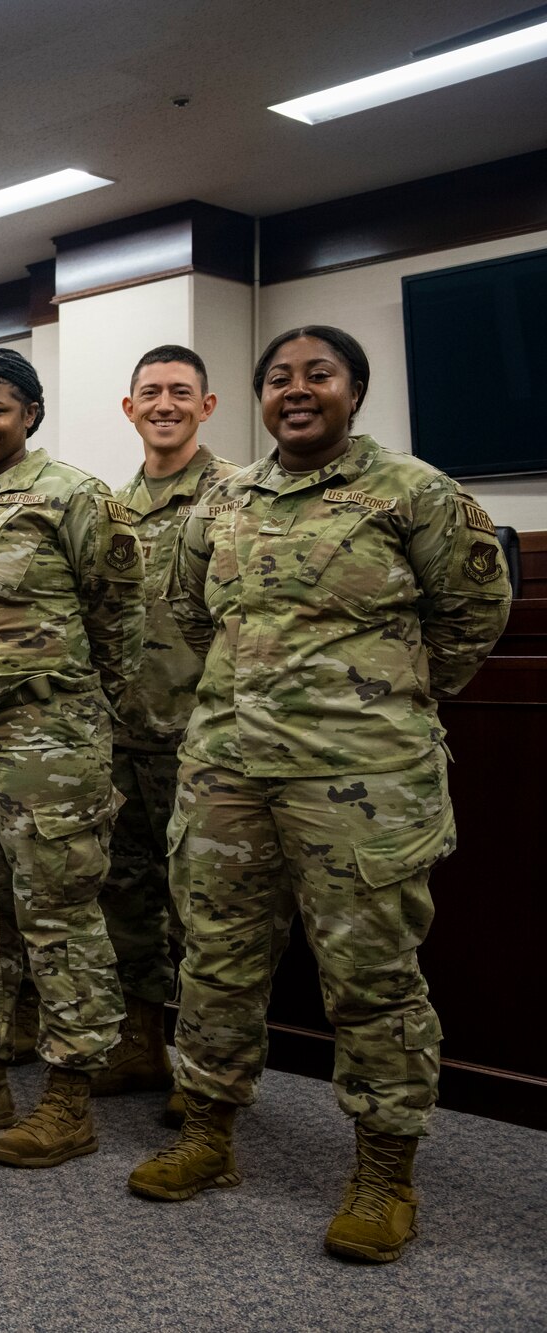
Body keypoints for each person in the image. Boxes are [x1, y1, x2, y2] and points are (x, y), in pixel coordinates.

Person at [128, 326, 510, 1263]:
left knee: (372, 981)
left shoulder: (414, 493)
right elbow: (187, 608)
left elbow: (472, 616)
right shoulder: (223, 499)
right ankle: (209, 1136)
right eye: (280, 378)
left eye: (319, 376)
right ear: (259, 398)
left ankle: (384, 1173)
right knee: (214, 961)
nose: (298, 391)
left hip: (363, 782)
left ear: (354, 389)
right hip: (228, 770)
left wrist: (377, 702)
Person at [0, 347, 144, 1167]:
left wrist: (75, 711)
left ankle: (71, 1095)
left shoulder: (76, 494)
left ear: (30, 413)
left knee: (59, 916)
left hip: (46, 741)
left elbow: (119, 622)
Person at [93, 346, 236, 1102]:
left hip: (203, 741)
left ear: (206, 406)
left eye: (182, 392)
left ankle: (197, 1065)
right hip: (119, 736)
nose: (165, 403)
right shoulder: (110, 508)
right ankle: (139, 1042)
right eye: (150, 391)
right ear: (130, 408)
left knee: (203, 910)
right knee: (124, 896)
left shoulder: (237, 498)